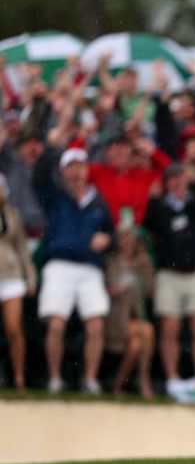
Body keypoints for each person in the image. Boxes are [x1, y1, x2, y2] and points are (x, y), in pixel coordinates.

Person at [34, 147, 114, 394]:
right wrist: (54, 145)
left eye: (80, 165)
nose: (77, 171)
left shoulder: (98, 201)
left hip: (90, 268)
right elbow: (38, 175)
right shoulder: (55, 196)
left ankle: (90, 380)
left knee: (96, 326)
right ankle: (55, 379)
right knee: (56, 324)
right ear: (63, 171)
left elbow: (109, 231)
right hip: (60, 265)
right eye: (71, 166)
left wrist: (106, 239)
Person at [143, 163, 195, 405]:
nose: (177, 183)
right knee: (169, 328)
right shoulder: (160, 206)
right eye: (172, 179)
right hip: (170, 274)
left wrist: (194, 182)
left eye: (180, 178)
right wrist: (154, 200)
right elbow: (150, 225)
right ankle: (173, 380)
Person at [104, 223, 155, 399]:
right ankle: (144, 382)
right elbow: (104, 288)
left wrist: (143, 266)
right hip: (113, 319)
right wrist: (116, 290)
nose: (127, 241)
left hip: (132, 319)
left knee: (136, 346)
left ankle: (118, 386)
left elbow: (149, 290)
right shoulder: (111, 261)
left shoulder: (142, 262)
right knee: (147, 330)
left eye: (130, 237)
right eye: (123, 237)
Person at [0, 174, 36, 392]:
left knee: (14, 328)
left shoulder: (13, 214)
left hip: (11, 274)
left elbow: (22, 248)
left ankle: (19, 377)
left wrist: (30, 276)